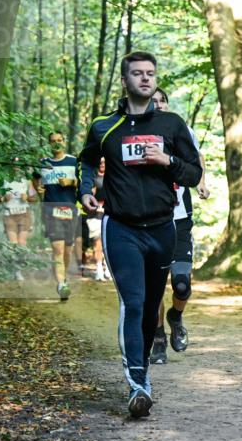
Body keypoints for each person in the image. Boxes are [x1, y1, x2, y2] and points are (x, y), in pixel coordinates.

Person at [78, 51, 202, 418]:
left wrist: (168, 161)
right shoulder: (105, 126)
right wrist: (85, 190)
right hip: (121, 228)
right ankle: (137, 384)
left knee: (150, 309)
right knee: (132, 303)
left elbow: (194, 173)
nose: (145, 78)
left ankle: (142, 368)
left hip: (162, 228)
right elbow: (87, 160)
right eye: (137, 73)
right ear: (124, 80)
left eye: (150, 73)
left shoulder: (172, 124)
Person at [148, 87, 210, 364]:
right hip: (150, 220)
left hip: (180, 218)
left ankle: (176, 316)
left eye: (162, 101)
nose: (158, 105)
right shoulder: (137, 132)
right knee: (155, 287)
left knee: (182, 285)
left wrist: (202, 183)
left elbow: (197, 157)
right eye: (153, 101)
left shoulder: (180, 129)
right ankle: (158, 338)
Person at [36, 132, 81, 300]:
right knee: (58, 249)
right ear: (49, 144)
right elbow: (36, 181)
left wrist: (71, 182)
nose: (56, 143)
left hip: (70, 210)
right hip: (51, 210)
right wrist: (39, 190)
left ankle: (63, 277)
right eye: (53, 141)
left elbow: (84, 183)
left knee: (67, 250)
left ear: (64, 141)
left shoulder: (73, 161)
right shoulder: (42, 163)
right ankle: (61, 284)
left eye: (59, 140)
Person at [84, 158, 109, 281]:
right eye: (100, 162)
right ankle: (99, 269)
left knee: (108, 243)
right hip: (95, 215)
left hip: (110, 213)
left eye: (104, 162)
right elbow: (88, 195)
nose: (102, 164)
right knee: (98, 242)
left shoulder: (113, 176)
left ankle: (108, 269)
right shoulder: (92, 178)